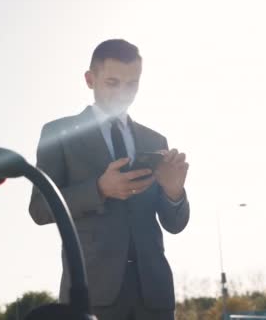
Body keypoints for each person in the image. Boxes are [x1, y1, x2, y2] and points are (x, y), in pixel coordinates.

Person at [28, 39, 190, 320]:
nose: (123, 93)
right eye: (113, 83)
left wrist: (174, 192)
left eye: (132, 84)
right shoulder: (58, 133)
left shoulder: (155, 140)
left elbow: (175, 224)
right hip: (92, 296)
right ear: (90, 80)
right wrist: (99, 189)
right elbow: (40, 208)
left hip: (154, 297)